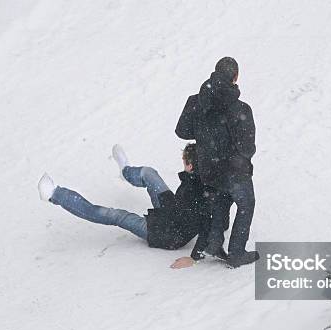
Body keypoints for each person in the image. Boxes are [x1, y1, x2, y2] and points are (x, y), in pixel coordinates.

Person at [37, 144, 212, 268]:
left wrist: (194, 258)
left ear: (190, 165)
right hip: (172, 212)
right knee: (148, 174)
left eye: (183, 161)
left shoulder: (202, 192)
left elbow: (209, 222)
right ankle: (126, 172)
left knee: (115, 215)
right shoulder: (198, 179)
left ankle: (54, 194)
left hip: (166, 234)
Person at [175, 56, 258, 268]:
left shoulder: (196, 102)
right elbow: (248, 148)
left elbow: (182, 131)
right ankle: (237, 252)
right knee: (245, 204)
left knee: (221, 201)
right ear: (236, 76)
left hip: (209, 169)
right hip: (235, 170)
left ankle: (213, 244)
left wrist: (205, 134)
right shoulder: (241, 109)